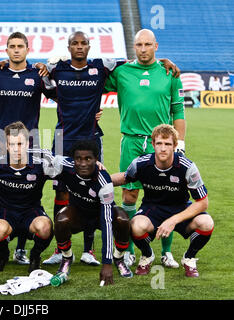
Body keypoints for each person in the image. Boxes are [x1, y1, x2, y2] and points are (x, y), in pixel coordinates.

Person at [42, 31, 180, 266]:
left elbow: (141, 61)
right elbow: (47, 85)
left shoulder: (103, 67)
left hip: (97, 138)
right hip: (66, 138)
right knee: (63, 191)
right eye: (74, 43)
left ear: (89, 46)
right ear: (68, 47)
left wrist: (164, 60)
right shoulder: (58, 69)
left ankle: (91, 250)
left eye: (83, 43)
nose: (79, 47)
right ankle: (61, 248)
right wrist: (41, 66)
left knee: (95, 190)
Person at [104, 29, 186, 268]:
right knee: (129, 194)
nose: (142, 49)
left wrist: (178, 145)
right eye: (138, 44)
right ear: (133, 47)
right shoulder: (122, 72)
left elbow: (178, 111)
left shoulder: (169, 73)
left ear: (156, 46)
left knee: (167, 195)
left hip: (161, 144)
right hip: (131, 141)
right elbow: (95, 81)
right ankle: (128, 249)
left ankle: (166, 252)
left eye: (147, 44)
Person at [0, 32, 55, 265]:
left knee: (28, 193)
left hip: (29, 142)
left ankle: (22, 249)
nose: (16, 50)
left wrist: (48, 71)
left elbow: (60, 97)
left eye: (20, 46)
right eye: (12, 46)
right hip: (0, 142)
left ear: (27, 49)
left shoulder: (37, 74)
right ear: (6, 50)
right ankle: (1, 246)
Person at [111, 124, 213, 277]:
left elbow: (203, 203)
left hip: (180, 209)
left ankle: (189, 258)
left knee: (206, 223)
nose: (163, 148)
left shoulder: (187, 167)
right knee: (135, 226)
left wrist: (173, 220)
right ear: (153, 144)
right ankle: (147, 255)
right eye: (159, 143)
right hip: (152, 209)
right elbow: (124, 177)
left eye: (167, 144)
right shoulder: (141, 163)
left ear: (175, 146)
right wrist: (98, 178)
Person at [43, 139, 132, 285]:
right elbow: (44, 156)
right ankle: (66, 258)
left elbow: (107, 223)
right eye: (78, 159)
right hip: (78, 216)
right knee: (61, 219)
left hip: (100, 216)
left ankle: (119, 258)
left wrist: (107, 263)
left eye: (88, 159)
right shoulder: (66, 166)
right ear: (73, 159)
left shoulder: (104, 182)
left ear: (96, 160)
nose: (83, 163)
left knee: (122, 219)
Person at [0, 122, 54, 273]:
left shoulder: (41, 161)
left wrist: (96, 165)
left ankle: (35, 255)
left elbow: (70, 167)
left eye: (20, 143)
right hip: (5, 213)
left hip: (31, 212)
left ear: (28, 143)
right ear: (6, 146)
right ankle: (3, 254)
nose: (16, 148)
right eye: (12, 144)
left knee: (45, 227)